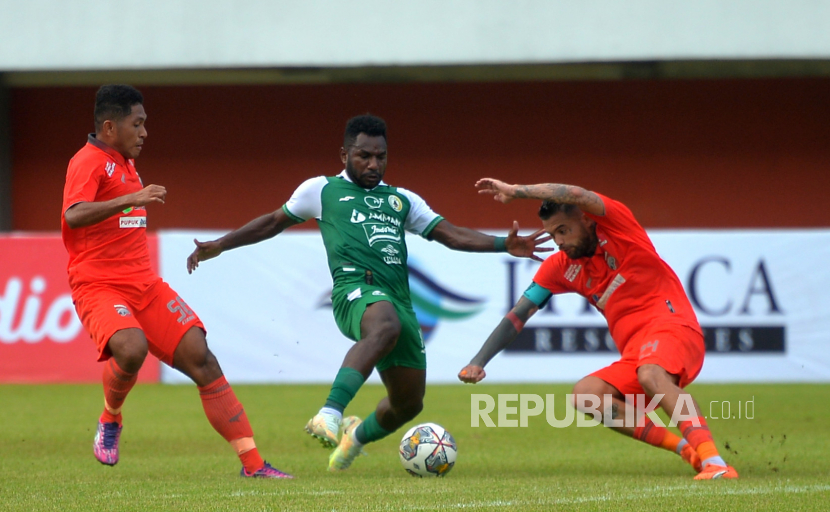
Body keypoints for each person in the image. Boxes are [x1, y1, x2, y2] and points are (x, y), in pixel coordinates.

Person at [187, 114, 552, 471]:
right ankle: (329, 413)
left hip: (399, 300)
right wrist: (220, 244)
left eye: (381, 156)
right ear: (344, 155)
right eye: (364, 155)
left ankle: (355, 437)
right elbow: (271, 222)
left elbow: (452, 235)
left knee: (409, 404)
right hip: (354, 291)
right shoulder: (322, 190)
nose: (373, 163)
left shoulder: (402, 201)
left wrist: (504, 243)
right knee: (385, 325)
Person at [61, 84, 292, 479]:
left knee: (202, 357)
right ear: (109, 126)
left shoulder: (125, 162)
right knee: (131, 349)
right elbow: (74, 214)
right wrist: (131, 200)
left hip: (145, 286)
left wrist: (132, 197)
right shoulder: (88, 161)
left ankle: (254, 466)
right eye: (138, 123)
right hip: (99, 286)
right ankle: (110, 418)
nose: (145, 132)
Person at [458, 177, 738, 480]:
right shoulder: (561, 266)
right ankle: (686, 450)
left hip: (674, 329)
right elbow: (518, 315)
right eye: (553, 235)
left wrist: (517, 192)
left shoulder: (618, 226)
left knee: (651, 374)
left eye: (563, 230)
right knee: (586, 395)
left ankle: (716, 463)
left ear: (587, 220)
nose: (559, 242)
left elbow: (576, 193)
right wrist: (478, 361)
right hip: (637, 352)